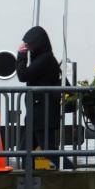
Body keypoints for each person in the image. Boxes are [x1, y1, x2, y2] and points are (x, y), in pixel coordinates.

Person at [16, 27, 64, 165]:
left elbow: (23, 75)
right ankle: (28, 181)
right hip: (38, 112)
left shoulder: (45, 59)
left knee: (46, 150)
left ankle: (71, 174)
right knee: (25, 150)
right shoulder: (45, 58)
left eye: (29, 45)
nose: (28, 48)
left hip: (42, 113)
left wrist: (21, 55)